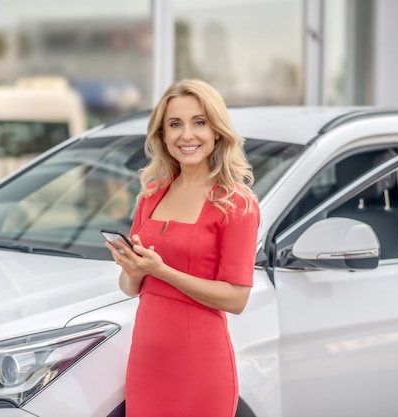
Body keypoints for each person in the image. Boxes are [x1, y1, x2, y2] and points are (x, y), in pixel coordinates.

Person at [104, 79, 260, 417]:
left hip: (200, 368)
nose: (186, 135)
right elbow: (131, 287)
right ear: (162, 135)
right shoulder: (151, 194)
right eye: (175, 124)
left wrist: (162, 271)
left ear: (217, 131)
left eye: (199, 122)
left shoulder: (236, 204)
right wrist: (131, 270)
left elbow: (236, 298)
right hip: (147, 362)